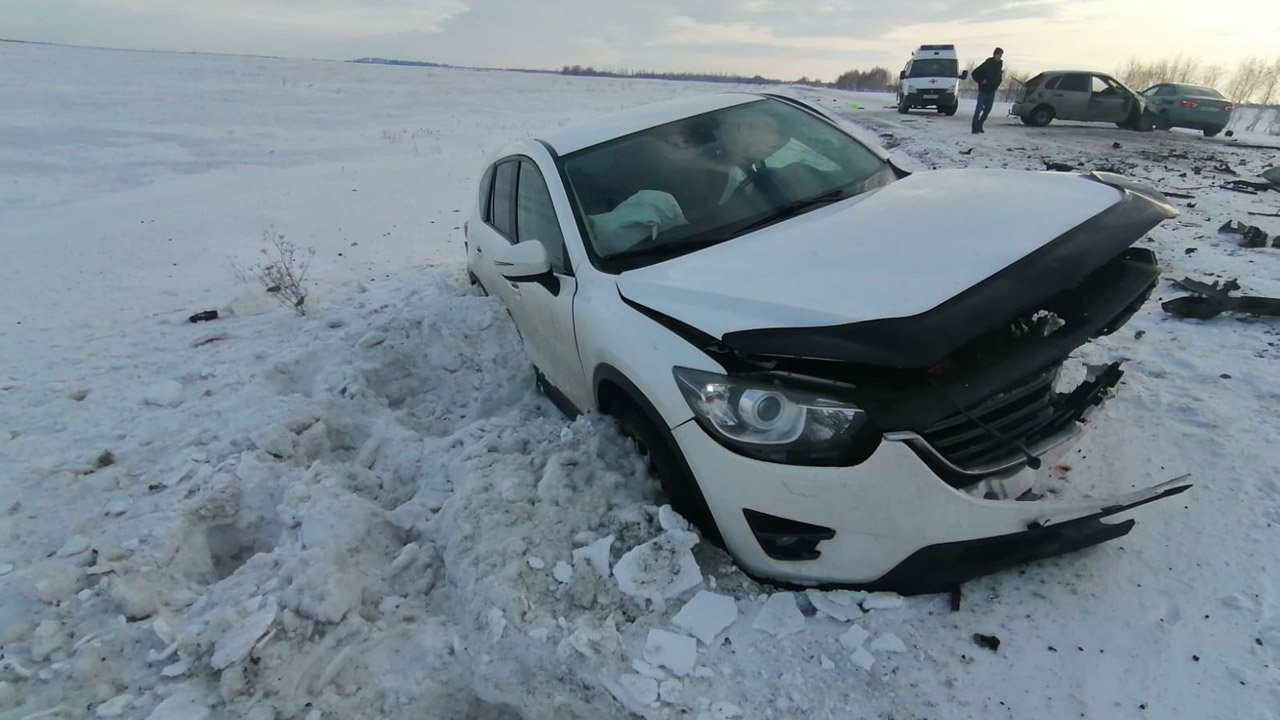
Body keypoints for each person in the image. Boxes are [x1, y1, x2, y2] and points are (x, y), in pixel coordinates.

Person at [970, 47, 1004, 134]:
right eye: (999, 54)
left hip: (991, 91)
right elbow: (974, 73)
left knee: (987, 111)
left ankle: (980, 125)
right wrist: (982, 80)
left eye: (1001, 55)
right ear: (995, 54)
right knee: (978, 109)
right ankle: (974, 128)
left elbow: (999, 78)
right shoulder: (988, 64)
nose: (1000, 56)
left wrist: (997, 85)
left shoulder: (1000, 65)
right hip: (983, 91)